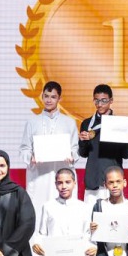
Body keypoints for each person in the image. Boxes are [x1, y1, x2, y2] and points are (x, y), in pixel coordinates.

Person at [19, 80, 78, 213]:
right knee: (38, 210)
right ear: (42, 97)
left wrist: (72, 156)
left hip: (62, 174)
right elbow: (24, 148)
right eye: (46, 96)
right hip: (39, 176)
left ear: (59, 98)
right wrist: (31, 157)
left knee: (63, 213)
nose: (49, 100)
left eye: (53, 97)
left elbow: (75, 148)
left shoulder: (69, 122)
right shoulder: (32, 122)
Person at [78, 84, 128, 203]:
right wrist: (83, 141)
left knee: (112, 220)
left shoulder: (120, 124)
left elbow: (125, 155)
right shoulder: (87, 123)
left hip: (113, 181)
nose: (100, 104)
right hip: (92, 180)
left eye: (104, 100)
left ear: (111, 101)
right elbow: (83, 153)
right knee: (90, 220)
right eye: (97, 100)